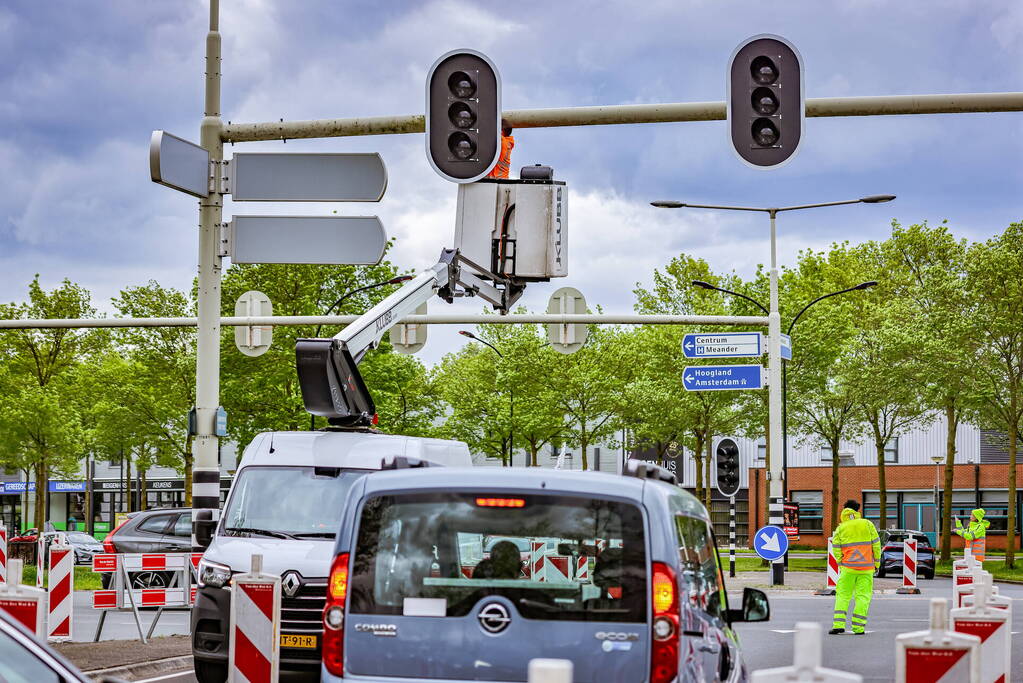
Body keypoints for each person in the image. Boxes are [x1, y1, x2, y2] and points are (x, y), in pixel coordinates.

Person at [829, 500, 881, 635]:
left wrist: (841, 563)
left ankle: (838, 625)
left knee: (843, 595)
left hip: (848, 568)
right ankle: (859, 628)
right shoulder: (867, 524)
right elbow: (876, 545)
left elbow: (836, 548)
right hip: (867, 568)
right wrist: (876, 563)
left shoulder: (841, 528)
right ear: (858, 511)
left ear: (844, 510)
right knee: (863, 597)